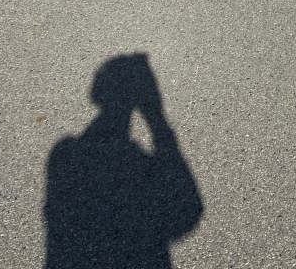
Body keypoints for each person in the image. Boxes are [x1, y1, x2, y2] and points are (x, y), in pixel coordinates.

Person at [44, 54, 203, 268]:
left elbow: (189, 211)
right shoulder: (65, 153)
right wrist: (156, 121)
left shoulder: (65, 153)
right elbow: (188, 209)